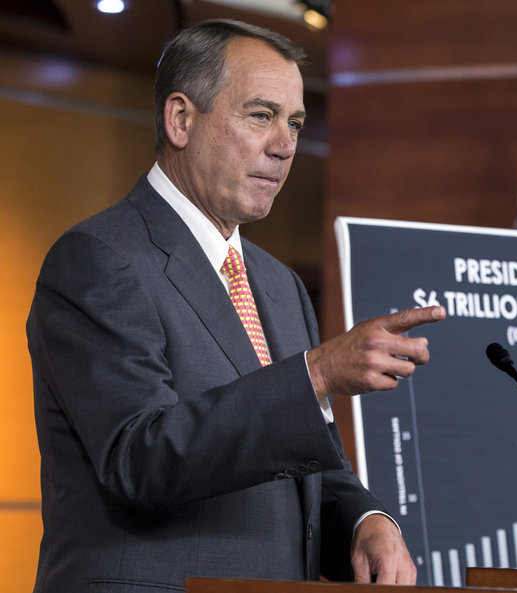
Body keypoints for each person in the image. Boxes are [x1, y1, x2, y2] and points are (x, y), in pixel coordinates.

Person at [26, 19, 445, 593]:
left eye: (295, 121)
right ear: (181, 119)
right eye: (261, 115)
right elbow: (140, 460)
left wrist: (364, 523)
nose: (286, 144)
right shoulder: (99, 259)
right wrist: (317, 373)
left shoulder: (279, 284)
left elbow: (300, 468)